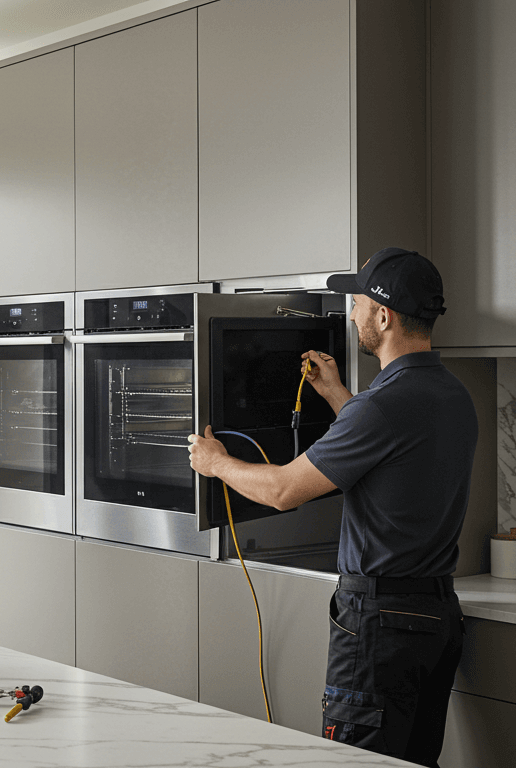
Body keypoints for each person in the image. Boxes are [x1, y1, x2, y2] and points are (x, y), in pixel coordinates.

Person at [187, 247, 476, 768]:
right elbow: (390, 454)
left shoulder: (381, 407)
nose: (351, 312)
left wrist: (217, 463)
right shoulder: (452, 396)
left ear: (383, 317)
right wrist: (339, 396)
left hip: (379, 625)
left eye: (358, 302)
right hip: (434, 618)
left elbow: (282, 490)